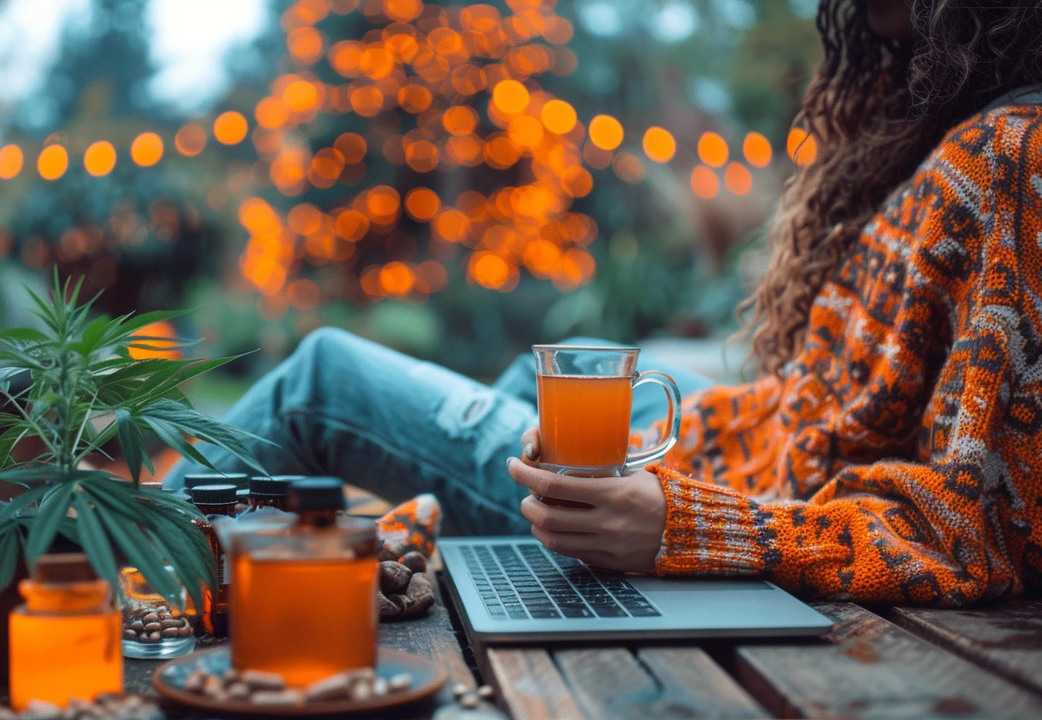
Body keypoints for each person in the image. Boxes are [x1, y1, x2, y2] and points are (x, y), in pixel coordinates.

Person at [169, 0, 1042, 605]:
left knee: (322, 379)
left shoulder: (1019, 153)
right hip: (758, 456)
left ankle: (85, 565)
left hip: (730, 508)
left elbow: (982, 528)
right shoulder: (956, 126)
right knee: (541, 368)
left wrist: (688, 526)